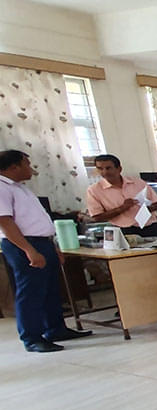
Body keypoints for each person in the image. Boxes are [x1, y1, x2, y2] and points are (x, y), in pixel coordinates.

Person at [0, 150, 92, 352]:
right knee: (31, 292)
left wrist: (54, 247)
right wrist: (29, 250)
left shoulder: (20, 188)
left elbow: (38, 221)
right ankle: (32, 338)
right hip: (24, 244)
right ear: (13, 167)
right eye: (26, 163)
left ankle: (55, 329)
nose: (31, 168)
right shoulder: (2, 188)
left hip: (43, 242)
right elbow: (5, 222)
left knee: (51, 288)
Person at [85, 154, 157, 237]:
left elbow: (156, 202)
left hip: (150, 227)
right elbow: (97, 217)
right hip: (124, 230)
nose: (105, 172)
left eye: (108, 168)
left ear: (119, 169)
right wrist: (122, 208)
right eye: (100, 169)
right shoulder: (94, 190)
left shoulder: (138, 183)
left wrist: (150, 208)